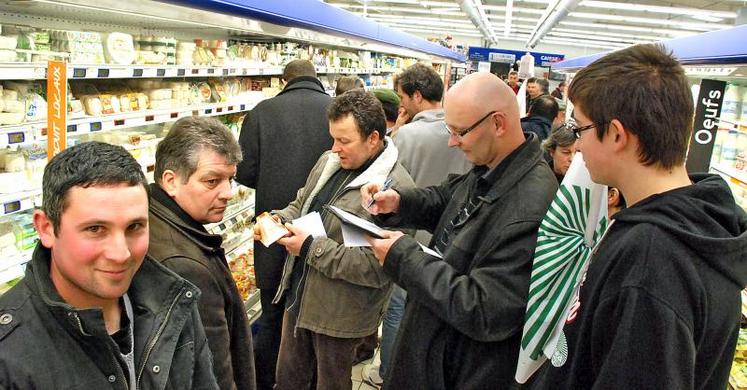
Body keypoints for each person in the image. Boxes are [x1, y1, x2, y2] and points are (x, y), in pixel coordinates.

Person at [532, 44, 747, 389]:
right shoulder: (700, 224)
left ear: (617, 134)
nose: (579, 146)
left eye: (580, 129)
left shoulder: (651, 260)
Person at [361, 72, 558, 389]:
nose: (452, 142)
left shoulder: (529, 205)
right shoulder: (496, 166)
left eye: (460, 132)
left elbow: (484, 308)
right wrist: (398, 203)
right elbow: (447, 198)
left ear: (497, 123)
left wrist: (403, 256)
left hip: (454, 370)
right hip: (434, 353)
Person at [0, 142, 218, 389]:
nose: (121, 253)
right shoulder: (8, 352)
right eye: (95, 229)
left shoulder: (174, 304)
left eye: (134, 227)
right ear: (46, 228)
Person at [266, 90, 415, 390]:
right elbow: (302, 202)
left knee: (330, 384)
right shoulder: (329, 161)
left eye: (344, 141)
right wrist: (280, 218)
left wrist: (309, 247)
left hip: (339, 315)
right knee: (288, 380)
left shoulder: (394, 192)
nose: (335, 148)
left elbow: (375, 268)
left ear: (373, 138)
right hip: (299, 295)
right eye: (333, 138)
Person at [362, 63, 472, 388]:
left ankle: (387, 372)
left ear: (417, 96)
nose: (400, 104)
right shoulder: (461, 131)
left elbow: (388, 178)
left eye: (401, 97)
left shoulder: (406, 135)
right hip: (453, 242)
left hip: (409, 238)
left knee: (400, 307)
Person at [235, 59, 332, 390]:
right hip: (323, 232)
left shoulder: (263, 111)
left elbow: (243, 171)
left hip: (273, 227)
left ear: (284, 80)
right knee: (316, 319)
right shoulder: (337, 110)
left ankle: (265, 382)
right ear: (316, 77)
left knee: (272, 317)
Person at [148, 117, 255, 390]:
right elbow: (214, 369)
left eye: (229, 179)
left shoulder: (152, 214)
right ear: (171, 181)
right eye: (212, 181)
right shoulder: (186, 267)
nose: (228, 193)